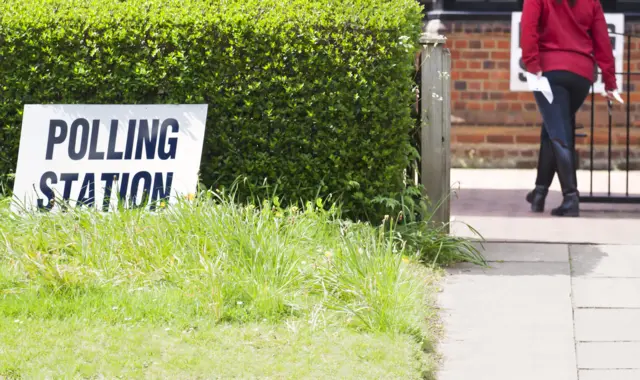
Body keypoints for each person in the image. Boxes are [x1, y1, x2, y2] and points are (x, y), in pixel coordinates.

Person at [520, 0, 618, 217]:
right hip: (582, 76)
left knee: (558, 134)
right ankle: (539, 192)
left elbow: (528, 29)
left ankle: (570, 198)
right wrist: (610, 81)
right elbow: (603, 41)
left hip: (549, 71)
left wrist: (532, 64)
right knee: (553, 127)